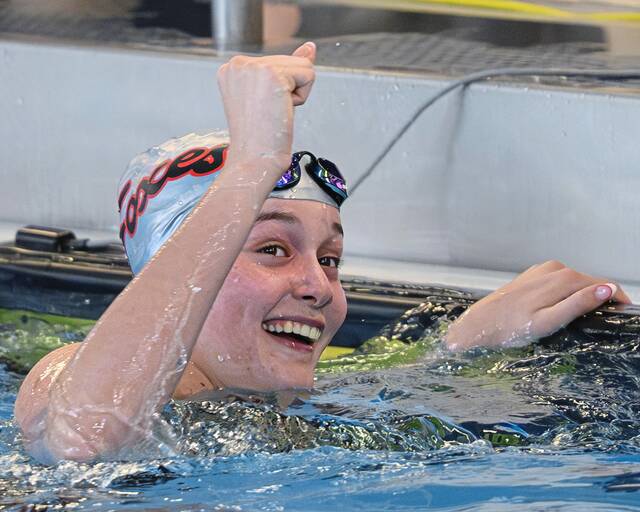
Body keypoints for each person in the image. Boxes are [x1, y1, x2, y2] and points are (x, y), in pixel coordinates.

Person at [14, 42, 629, 464]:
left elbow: (369, 395)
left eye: (330, 258)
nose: (318, 286)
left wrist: (456, 352)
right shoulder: (66, 377)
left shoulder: (279, 410)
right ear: (178, 266)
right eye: (274, 248)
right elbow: (85, 444)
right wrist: (254, 164)